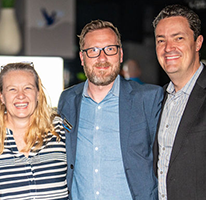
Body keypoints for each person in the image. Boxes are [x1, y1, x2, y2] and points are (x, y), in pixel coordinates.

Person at [58, 19, 163, 200]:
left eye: (110, 49)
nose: (102, 58)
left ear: (120, 55)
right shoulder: (67, 100)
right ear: (82, 58)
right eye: (93, 51)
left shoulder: (149, 98)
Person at [0, 62, 68, 199]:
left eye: (28, 88)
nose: (21, 95)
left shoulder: (58, 129)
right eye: (12, 89)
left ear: (38, 93)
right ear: (1, 96)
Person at [152, 4, 205, 200]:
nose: (168, 48)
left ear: (198, 42)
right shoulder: (157, 100)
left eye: (178, 38)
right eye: (161, 40)